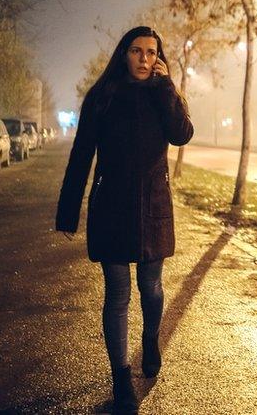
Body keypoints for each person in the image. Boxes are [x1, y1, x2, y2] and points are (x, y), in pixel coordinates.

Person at [56, 26, 193, 413]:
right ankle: (121, 378)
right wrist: (68, 210)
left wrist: (167, 88)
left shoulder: (163, 95)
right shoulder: (102, 96)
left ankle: (150, 337)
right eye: (137, 51)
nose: (144, 59)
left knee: (150, 288)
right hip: (111, 207)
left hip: (153, 206)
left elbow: (182, 135)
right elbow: (82, 153)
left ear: (159, 58)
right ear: (123, 54)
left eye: (152, 52)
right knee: (117, 294)